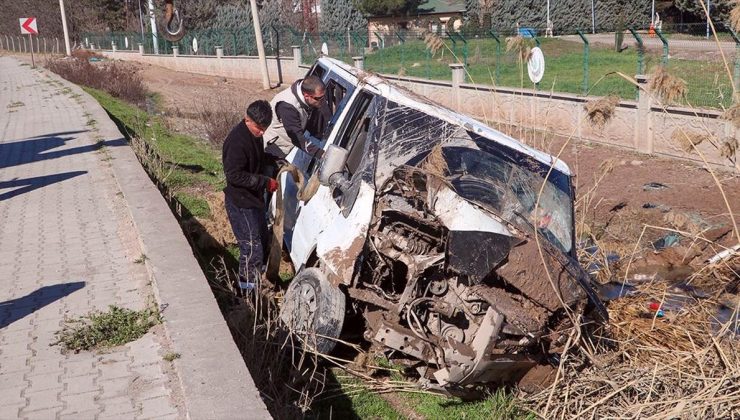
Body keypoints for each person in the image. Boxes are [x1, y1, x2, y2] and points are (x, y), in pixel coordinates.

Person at [222, 100, 276, 295]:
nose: (262, 133)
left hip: (253, 199)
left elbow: (256, 159)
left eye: (265, 129)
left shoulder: (255, 135)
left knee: (261, 239)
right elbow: (234, 175)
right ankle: (246, 292)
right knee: (251, 247)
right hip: (240, 201)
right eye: (259, 128)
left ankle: (258, 281)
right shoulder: (237, 142)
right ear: (247, 119)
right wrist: (264, 182)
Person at [262, 75, 327, 162]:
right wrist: (320, 154)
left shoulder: (306, 94)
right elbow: (296, 137)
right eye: (319, 98)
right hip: (273, 149)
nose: (323, 101)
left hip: (288, 147)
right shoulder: (287, 107)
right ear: (306, 96)